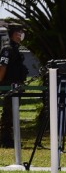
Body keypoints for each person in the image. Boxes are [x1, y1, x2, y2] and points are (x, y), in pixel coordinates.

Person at [0, 21, 31, 149]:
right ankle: (5, 139)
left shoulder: (16, 48)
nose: (21, 34)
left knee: (13, 113)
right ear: (13, 33)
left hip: (16, 85)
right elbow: (3, 66)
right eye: (19, 32)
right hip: (9, 85)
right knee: (8, 113)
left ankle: (9, 138)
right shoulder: (8, 49)